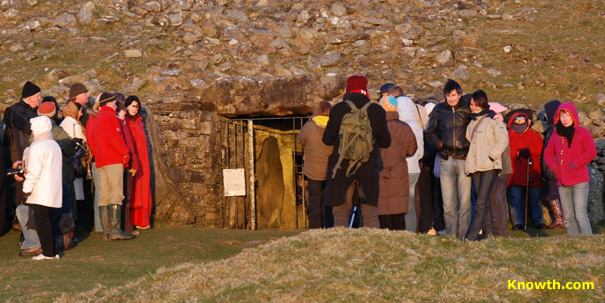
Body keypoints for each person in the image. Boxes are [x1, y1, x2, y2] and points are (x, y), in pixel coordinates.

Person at [322, 75, 391, 228]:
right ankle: (372, 246)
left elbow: (327, 139)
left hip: (342, 166)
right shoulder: (376, 110)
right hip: (368, 165)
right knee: (370, 212)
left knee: (340, 211)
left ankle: (341, 246)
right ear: (365, 90)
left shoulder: (339, 109)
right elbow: (386, 142)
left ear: (348, 90)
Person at [425, 79, 472, 240]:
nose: (451, 98)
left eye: (454, 95)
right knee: (448, 203)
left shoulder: (467, 109)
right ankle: (452, 236)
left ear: (460, 95)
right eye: (448, 95)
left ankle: (463, 236)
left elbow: (482, 114)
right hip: (446, 158)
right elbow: (430, 132)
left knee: (464, 202)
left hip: (464, 158)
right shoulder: (439, 110)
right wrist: (439, 144)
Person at [544, 102, 597, 235]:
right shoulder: (556, 135)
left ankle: (588, 242)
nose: (565, 119)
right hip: (562, 181)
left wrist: (575, 164)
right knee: (568, 217)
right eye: (562, 116)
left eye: (567, 115)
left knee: (580, 215)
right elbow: (548, 153)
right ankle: (574, 244)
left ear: (573, 116)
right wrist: (555, 168)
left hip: (579, 179)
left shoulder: (582, 132)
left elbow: (591, 151)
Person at [463, 91, 508, 241]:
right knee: (484, 201)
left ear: (482, 103)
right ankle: (489, 235)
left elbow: (503, 140)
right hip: (476, 166)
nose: (473, 107)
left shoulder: (493, 119)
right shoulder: (471, 122)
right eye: (471, 104)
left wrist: (492, 155)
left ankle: (471, 236)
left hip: (489, 166)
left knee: (480, 202)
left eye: (475, 104)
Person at [89, 93, 135, 240]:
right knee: (116, 193)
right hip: (113, 159)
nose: (116, 105)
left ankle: (107, 231)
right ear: (109, 103)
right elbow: (115, 139)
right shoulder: (110, 117)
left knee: (104, 195)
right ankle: (115, 230)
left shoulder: (97, 119)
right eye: (115, 103)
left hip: (101, 161)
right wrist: (126, 153)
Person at [4, 81, 42, 256]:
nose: (40, 99)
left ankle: (31, 232)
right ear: (29, 97)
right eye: (37, 96)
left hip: (28, 155)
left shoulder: (29, 110)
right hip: (21, 156)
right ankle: (26, 233)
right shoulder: (16, 111)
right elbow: (23, 133)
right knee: (23, 195)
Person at [21, 116, 63, 260]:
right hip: (53, 188)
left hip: (42, 189)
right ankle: (52, 250)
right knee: (49, 221)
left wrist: (26, 188)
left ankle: (48, 252)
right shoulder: (54, 144)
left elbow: (34, 171)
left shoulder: (39, 146)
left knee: (42, 222)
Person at [37, 101, 76, 250]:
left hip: (44, 178)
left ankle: (51, 240)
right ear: (53, 114)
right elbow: (70, 149)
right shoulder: (58, 131)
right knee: (66, 205)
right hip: (62, 171)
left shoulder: (34, 134)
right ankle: (66, 238)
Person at [377, 96, 417, 230]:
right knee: (398, 209)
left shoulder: (376, 127)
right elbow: (412, 149)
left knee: (382, 207)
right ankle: (400, 238)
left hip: (380, 171)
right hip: (399, 171)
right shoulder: (405, 127)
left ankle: (384, 240)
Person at [388, 86, 424, 232]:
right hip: (415, 168)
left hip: (402, 170)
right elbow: (420, 151)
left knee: (401, 205)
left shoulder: (399, 127)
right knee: (411, 206)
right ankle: (411, 232)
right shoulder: (416, 125)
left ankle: (403, 233)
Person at [506, 109, 545, 230]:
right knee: (515, 198)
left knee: (535, 198)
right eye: (517, 120)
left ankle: (538, 221)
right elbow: (506, 151)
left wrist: (528, 151)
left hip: (531, 171)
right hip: (514, 172)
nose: (519, 122)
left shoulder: (534, 135)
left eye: (522, 119)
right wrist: (518, 153)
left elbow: (538, 150)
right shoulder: (507, 135)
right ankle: (517, 222)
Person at [300, 101, 334, 228]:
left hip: (313, 170)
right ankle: (330, 227)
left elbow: (301, 142)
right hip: (330, 170)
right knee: (330, 201)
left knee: (315, 201)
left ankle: (315, 228)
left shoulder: (308, 127)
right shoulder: (334, 126)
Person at [483, 102, 512, 237]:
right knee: (498, 198)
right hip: (504, 168)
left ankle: (499, 231)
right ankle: (497, 229)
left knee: (495, 198)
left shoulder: (496, 126)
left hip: (499, 168)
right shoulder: (501, 126)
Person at [125, 95, 152, 230]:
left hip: (143, 160)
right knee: (133, 189)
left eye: (137, 107)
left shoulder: (140, 122)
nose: (135, 109)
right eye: (133, 106)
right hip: (132, 159)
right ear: (127, 106)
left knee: (143, 188)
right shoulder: (125, 122)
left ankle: (142, 219)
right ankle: (131, 219)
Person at [60, 102, 88, 228]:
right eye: (80, 111)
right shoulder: (74, 125)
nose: (81, 114)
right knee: (76, 192)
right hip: (76, 162)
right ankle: (77, 223)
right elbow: (83, 143)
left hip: (66, 161)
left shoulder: (63, 123)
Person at [541, 100, 566, 229]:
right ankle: (563, 219)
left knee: (552, 194)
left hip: (553, 169)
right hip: (557, 168)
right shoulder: (557, 128)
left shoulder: (554, 129)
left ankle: (560, 219)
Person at [117, 98, 139, 235]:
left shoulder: (122, 123)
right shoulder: (120, 124)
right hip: (125, 164)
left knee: (125, 196)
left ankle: (126, 227)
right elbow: (128, 147)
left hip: (126, 163)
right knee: (125, 196)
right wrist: (131, 163)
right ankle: (125, 228)